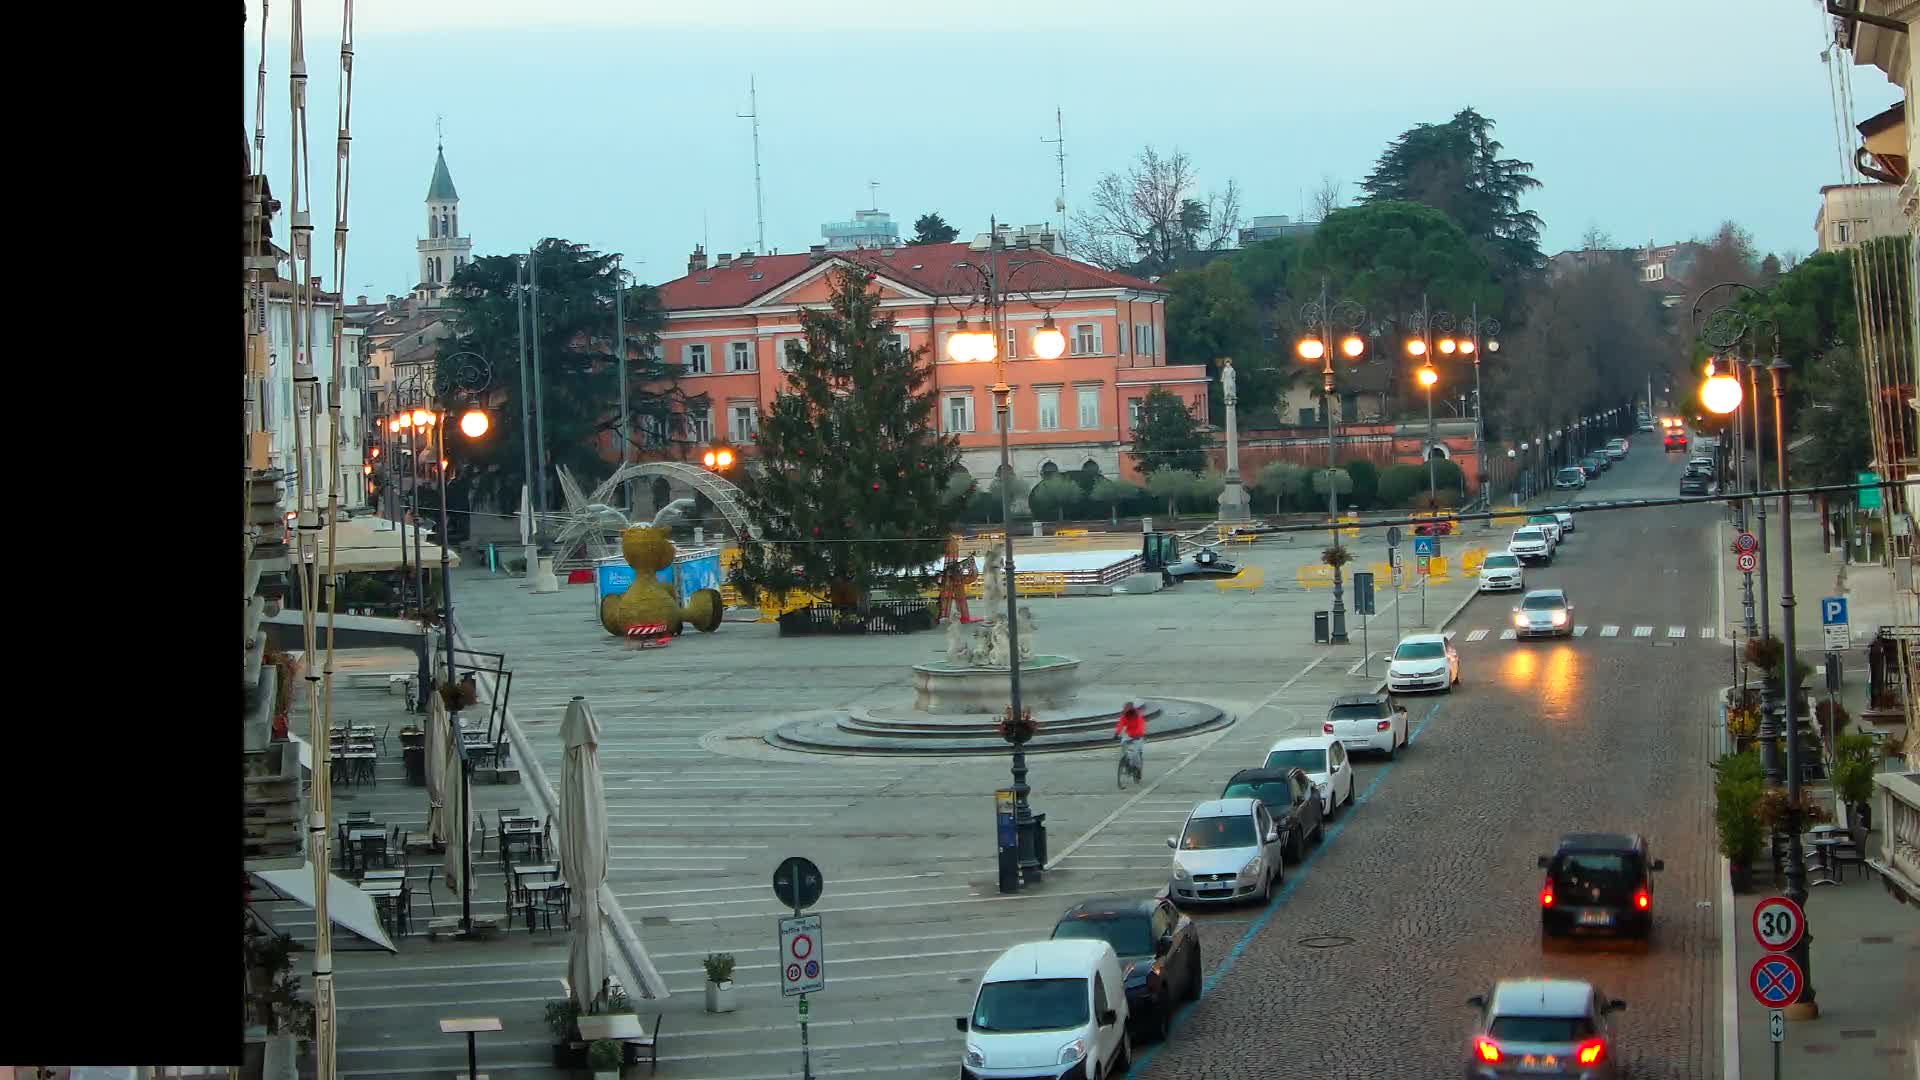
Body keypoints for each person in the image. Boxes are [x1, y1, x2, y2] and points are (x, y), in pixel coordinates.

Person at [1115, 701, 1146, 774]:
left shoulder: (1138, 716)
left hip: (1138, 736)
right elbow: (1120, 724)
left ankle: (1138, 768)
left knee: (1135, 753)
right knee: (1123, 744)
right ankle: (1127, 761)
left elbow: (1141, 726)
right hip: (1129, 735)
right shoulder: (1124, 716)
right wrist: (1116, 733)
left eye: (1127, 709)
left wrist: (1137, 734)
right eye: (1125, 709)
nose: (1125, 710)